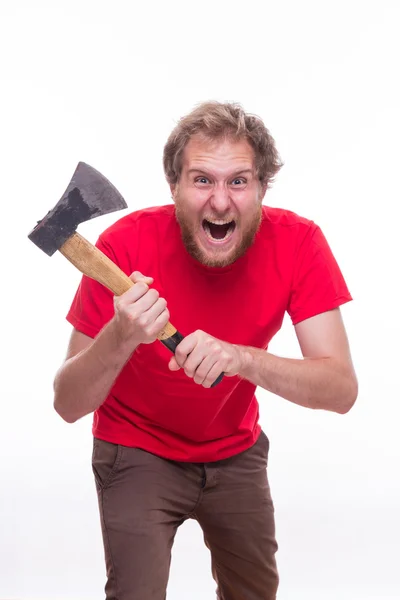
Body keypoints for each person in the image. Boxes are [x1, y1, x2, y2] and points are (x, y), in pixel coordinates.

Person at [54, 101, 358, 600]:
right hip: (136, 448)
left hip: (235, 450)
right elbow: (67, 403)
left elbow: (341, 388)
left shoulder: (300, 243)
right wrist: (121, 335)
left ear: (263, 187)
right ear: (173, 186)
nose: (220, 202)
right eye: (201, 181)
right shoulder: (122, 246)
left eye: (238, 181)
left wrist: (242, 359)